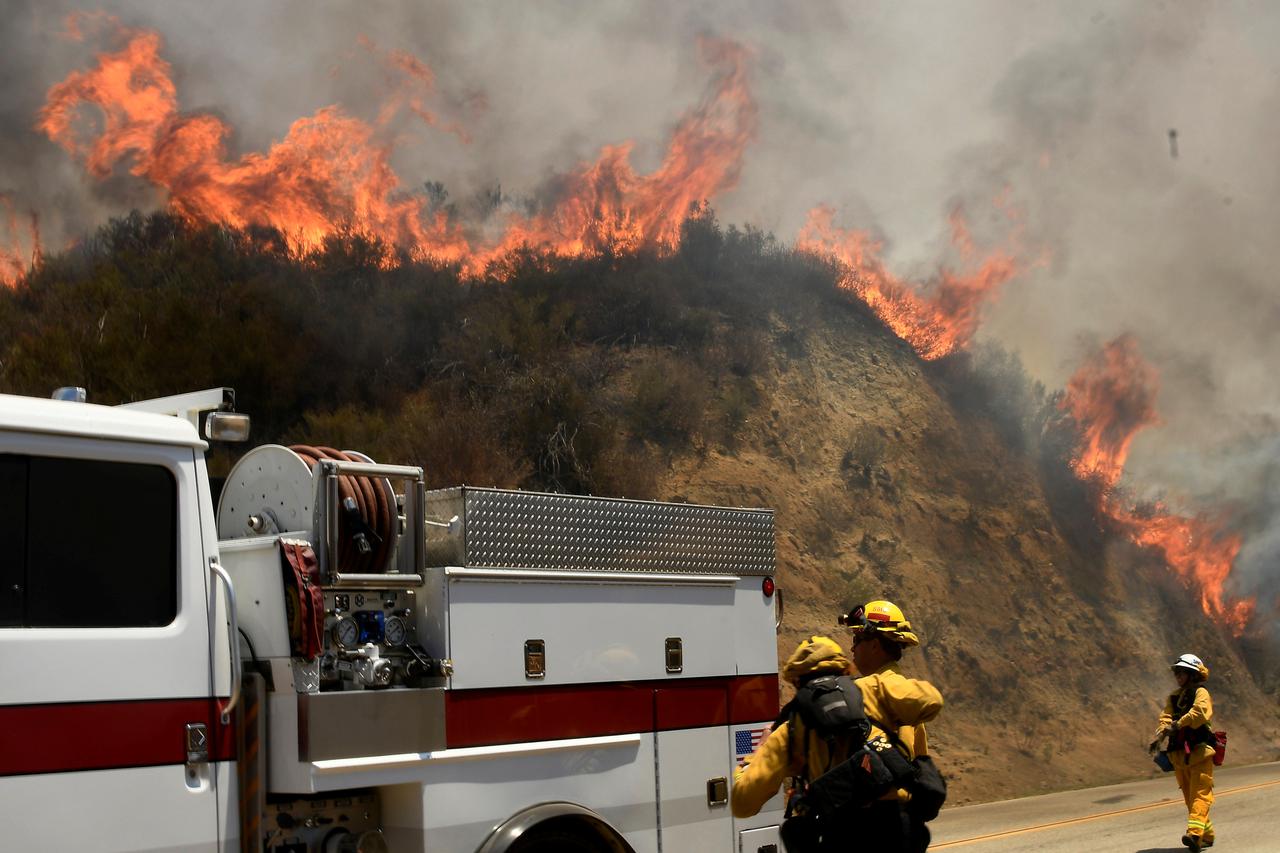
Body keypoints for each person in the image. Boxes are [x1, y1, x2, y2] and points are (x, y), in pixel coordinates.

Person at [732, 600, 943, 852]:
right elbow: (920, 762)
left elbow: (743, 802)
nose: (853, 647)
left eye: (857, 639)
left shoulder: (792, 727)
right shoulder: (884, 694)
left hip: (840, 835)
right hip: (897, 832)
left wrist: (755, 755)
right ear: (843, 670)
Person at [1149, 653, 1217, 851]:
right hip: (1179, 755)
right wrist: (1160, 736)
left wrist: (1177, 725)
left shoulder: (1201, 693)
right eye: (1177, 672)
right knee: (1190, 797)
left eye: (1182, 672)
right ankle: (1207, 834)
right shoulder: (1174, 697)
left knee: (1201, 795)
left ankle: (1195, 836)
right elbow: (1165, 717)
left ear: (1193, 674)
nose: (1178, 675)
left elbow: (1199, 714)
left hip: (1200, 752)